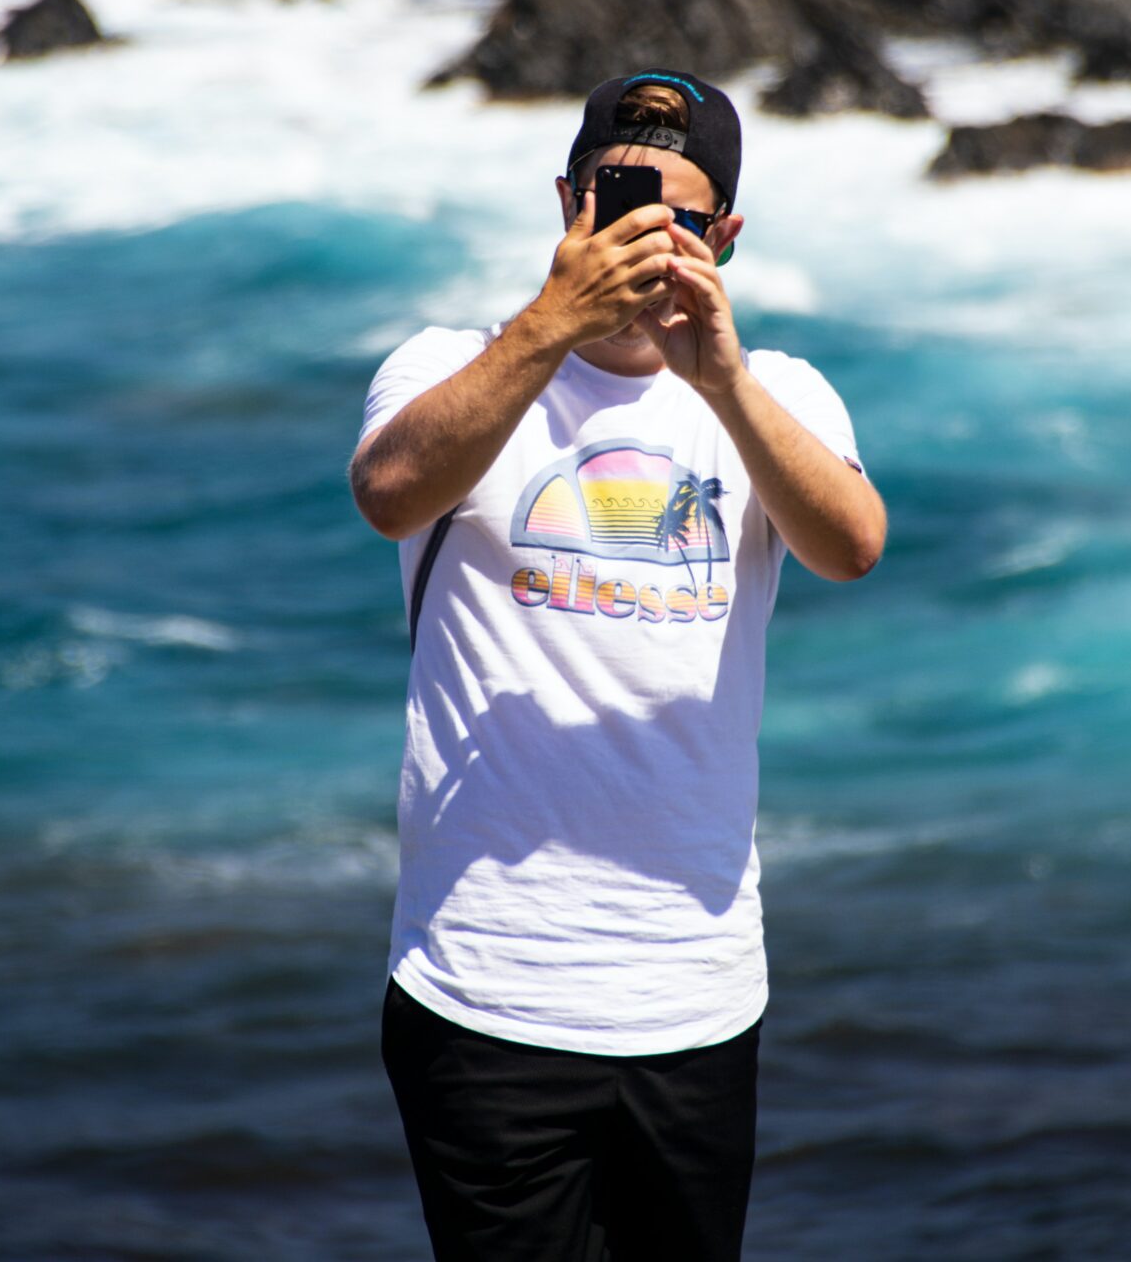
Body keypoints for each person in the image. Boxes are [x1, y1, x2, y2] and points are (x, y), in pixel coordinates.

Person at [350, 70, 886, 1262]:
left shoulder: (775, 394)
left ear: (725, 238)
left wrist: (722, 380)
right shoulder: (451, 364)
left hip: (696, 997)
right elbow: (390, 493)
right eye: (617, 201)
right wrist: (553, 326)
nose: (647, 235)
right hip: (485, 991)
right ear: (566, 204)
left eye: (678, 218)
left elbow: (851, 546)